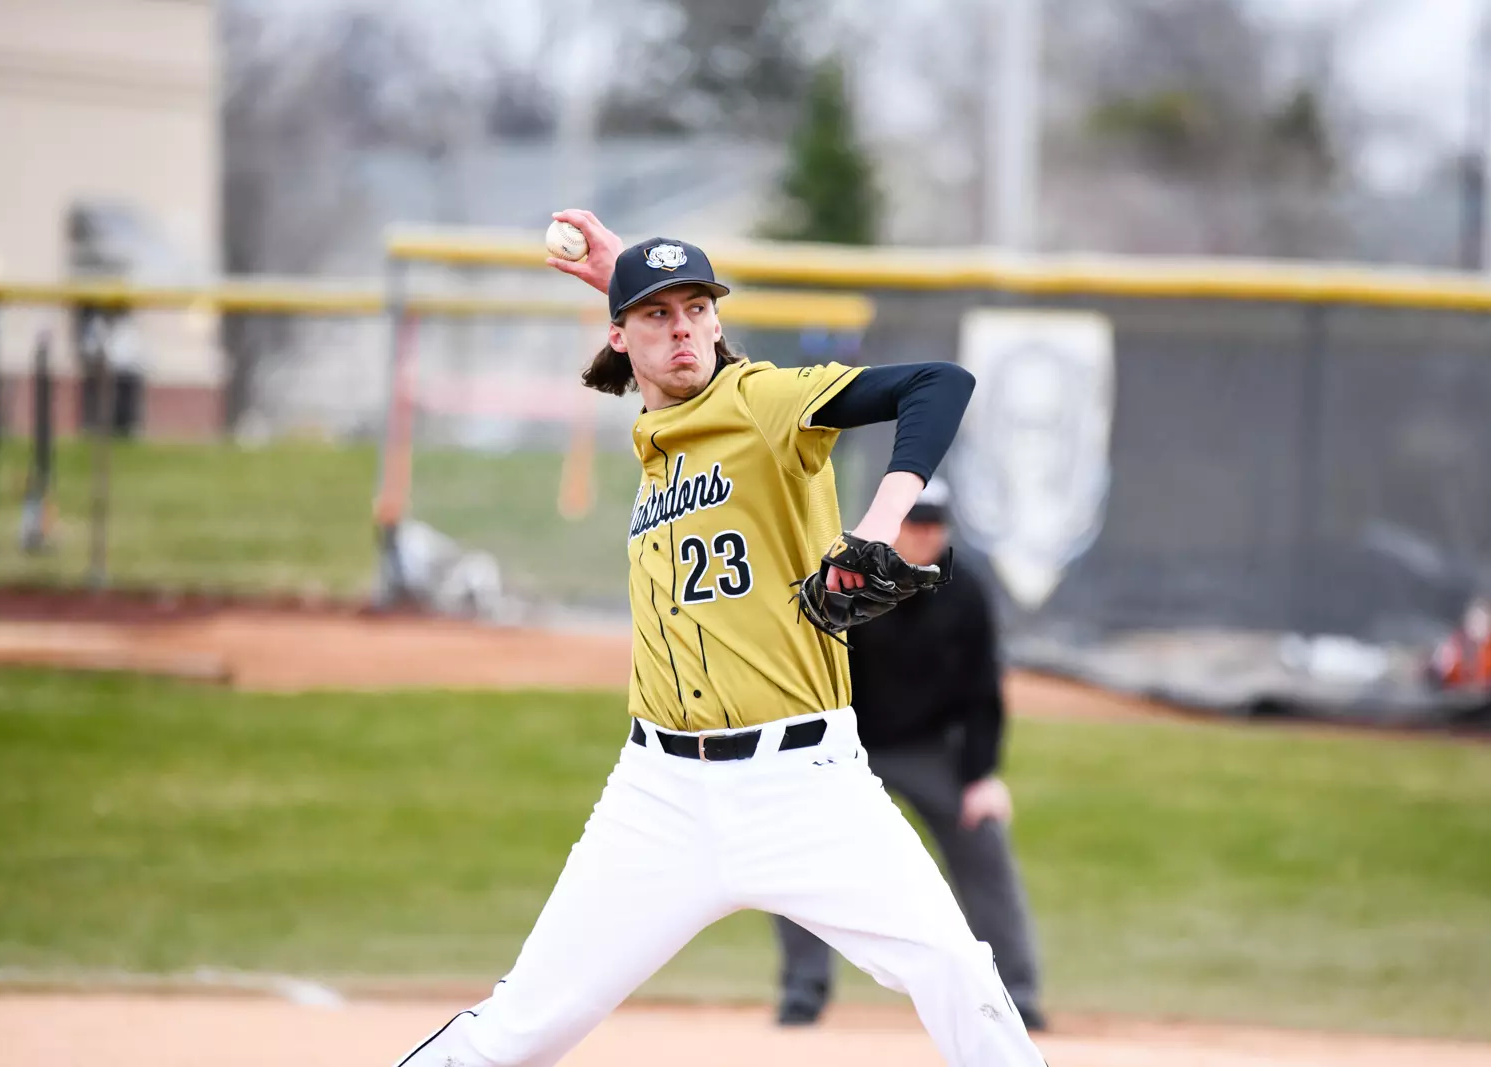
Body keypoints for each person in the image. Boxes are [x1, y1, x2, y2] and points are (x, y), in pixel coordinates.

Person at [390, 210, 1050, 1067]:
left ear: (719, 322)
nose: (685, 328)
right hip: (658, 794)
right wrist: (626, 283)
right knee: (525, 1024)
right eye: (660, 314)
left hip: (805, 784)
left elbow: (939, 383)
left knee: (960, 978)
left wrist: (880, 525)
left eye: (698, 308)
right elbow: (661, 356)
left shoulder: (763, 402)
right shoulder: (658, 436)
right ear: (622, 334)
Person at [771, 477, 1048, 1032]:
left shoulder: (964, 590)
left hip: (928, 749)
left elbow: (982, 690)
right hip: (848, 746)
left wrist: (980, 775)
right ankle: (803, 990)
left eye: (933, 525)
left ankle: (1018, 993)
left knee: (982, 838)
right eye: (914, 523)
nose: (924, 535)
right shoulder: (847, 582)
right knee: (797, 849)